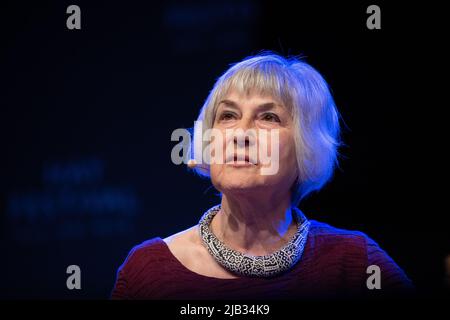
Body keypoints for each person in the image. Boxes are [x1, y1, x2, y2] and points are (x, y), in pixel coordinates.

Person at [111, 53, 413, 299]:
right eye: (227, 115)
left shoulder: (355, 264)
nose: (240, 134)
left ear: (305, 147)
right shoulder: (149, 272)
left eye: (269, 117)